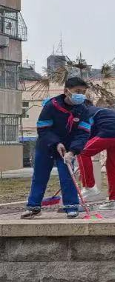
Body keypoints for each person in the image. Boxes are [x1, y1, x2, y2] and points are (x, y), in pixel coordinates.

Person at [22, 77, 92, 219]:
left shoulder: (83, 109)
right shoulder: (51, 106)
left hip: (67, 150)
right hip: (46, 146)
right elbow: (43, 128)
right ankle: (34, 207)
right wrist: (56, 143)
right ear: (66, 91)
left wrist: (73, 151)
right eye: (77, 91)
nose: (81, 95)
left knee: (67, 177)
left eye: (83, 92)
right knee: (40, 177)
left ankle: (71, 207)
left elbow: (83, 132)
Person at [76, 102, 115, 209]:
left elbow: (86, 134)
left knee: (81, 152)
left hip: (110, 132)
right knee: (112, 166)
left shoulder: (87, 112)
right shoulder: (102, 112)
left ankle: (89, 187)